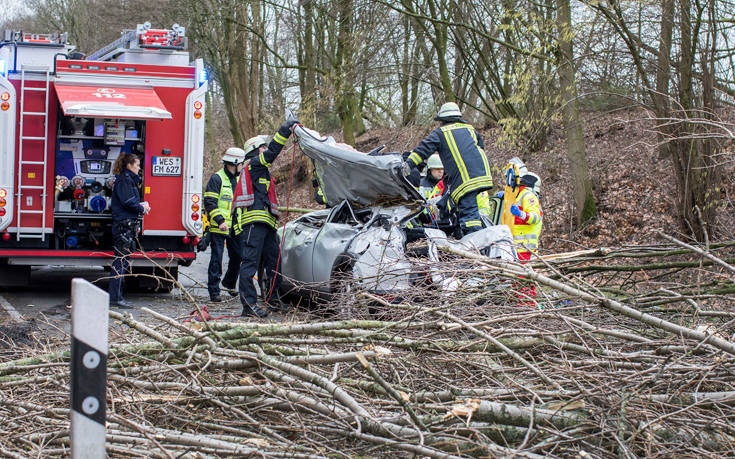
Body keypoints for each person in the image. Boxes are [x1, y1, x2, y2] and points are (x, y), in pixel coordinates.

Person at [234, 119, 299, 318]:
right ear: (255, 150)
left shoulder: (262, 171)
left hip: (267, 224)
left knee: (274, 264)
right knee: (250, 263)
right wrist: (284, 131)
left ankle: (273, 301)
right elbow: (272, 153)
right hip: (254, 224)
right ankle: (248, 306)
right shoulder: (254, 165)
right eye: (262, 147)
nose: (265, 149)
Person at [405, 102, 493, 236]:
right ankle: (471, 236)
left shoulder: (441, 133)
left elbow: (422, 150)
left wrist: (407, 166)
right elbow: (479, 147)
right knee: (470, 207)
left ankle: (474, 239)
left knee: (469, 213)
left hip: (465, 178)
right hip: (482, 174)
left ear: (442, 120)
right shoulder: (470, 129)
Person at [203, 147, 246, 302]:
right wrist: (220, 221)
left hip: (236, 226)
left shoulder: (238, 179)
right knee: (217, 259)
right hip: (219, 227)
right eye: (241, 164)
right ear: (234, 163)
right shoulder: (217, 179)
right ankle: (214, 291)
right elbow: (210, 203)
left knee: (239, 256)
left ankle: (228, 282)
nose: (242, 166)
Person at [108, 153, 150, 308]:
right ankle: (115, 298)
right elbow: (128, 201)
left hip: (125, 225)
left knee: (122, 261)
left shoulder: (127, 180)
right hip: (123, 226)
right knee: (120, 261)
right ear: (129, 165)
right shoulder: (125, 180)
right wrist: (141, 208)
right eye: (137, 165)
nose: (139, 168)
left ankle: (117, 297)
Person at [500, 172, 542, 261]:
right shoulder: (517, 195)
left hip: (525, 248)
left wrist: (520, 214)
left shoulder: (528, 196)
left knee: (522, 274)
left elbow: (535, 218)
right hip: (514, 247)